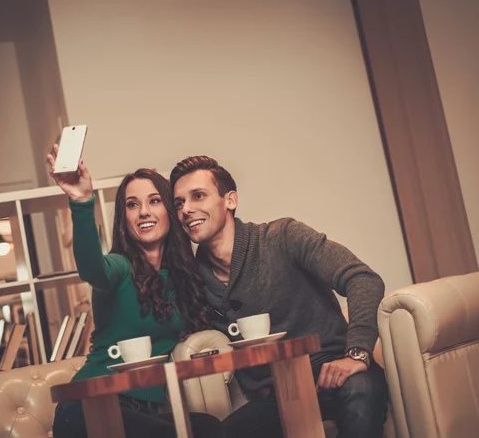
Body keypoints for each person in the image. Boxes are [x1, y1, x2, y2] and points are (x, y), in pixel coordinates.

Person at [170, 155, 389, 438]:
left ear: (230, 200)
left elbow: (363, 279)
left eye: (198, 196)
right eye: (179, 203)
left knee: (361, 393)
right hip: (275, 395)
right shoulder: (194, 279)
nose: (187, 209)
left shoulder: (283, 236)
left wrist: (356, 354)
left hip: (332, 371)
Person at [47, 146, 222, 438]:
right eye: (132, 205)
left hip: (141, 413)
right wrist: (81, 201)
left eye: (154, 201)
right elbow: (91, 268)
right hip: (88, 406)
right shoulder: (118, 268)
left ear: (170, 210)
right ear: (124, 219)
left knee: (211, 428)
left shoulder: (186, 277)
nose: (143, 212)